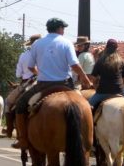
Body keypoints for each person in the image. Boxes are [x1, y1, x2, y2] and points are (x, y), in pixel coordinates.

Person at [12, 17, 92, 149]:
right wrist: (85, 79)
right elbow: (74, 64)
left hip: (43, 85)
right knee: (87, 107)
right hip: (66, 85)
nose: (64, 31)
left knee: (20, 105)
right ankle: (90, 140)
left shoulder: (37, 44)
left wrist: (41, 73)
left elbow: (31, 67)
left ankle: (23, 139)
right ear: (59, 29)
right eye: (63, 28)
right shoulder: (67, 43)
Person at [88, 38, 124, 138]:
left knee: (87, 108)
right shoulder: (121, 61)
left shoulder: (100, 61)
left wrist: (96, 85)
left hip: (102, 92)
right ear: (116, 49)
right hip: (120, 90)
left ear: (106, 47)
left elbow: (93, 78)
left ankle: (87, 130)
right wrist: (123, 89)